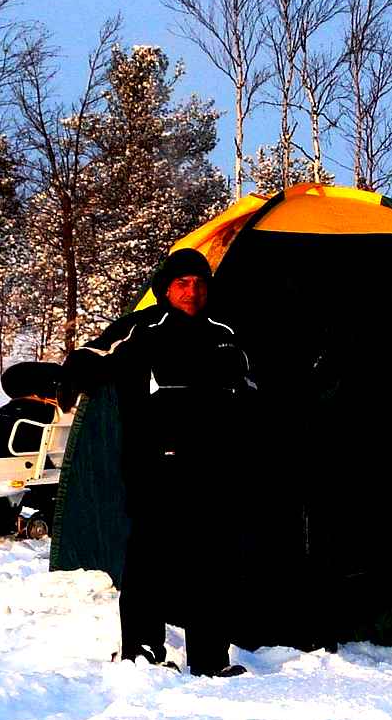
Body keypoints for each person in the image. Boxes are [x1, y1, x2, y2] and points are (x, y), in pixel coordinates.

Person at [59, 247, 256, 676]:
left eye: (200, 284)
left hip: (213, 470)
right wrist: (68, 380)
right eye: (183, 283)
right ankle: (143, 651)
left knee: (212, 563)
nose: (192, 292)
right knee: (150, 561)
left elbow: (248, 386)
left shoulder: (224, 334)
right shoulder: (143, 328)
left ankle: (210, 659)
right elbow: (92, 356)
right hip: (157, 468)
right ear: (166, 288)